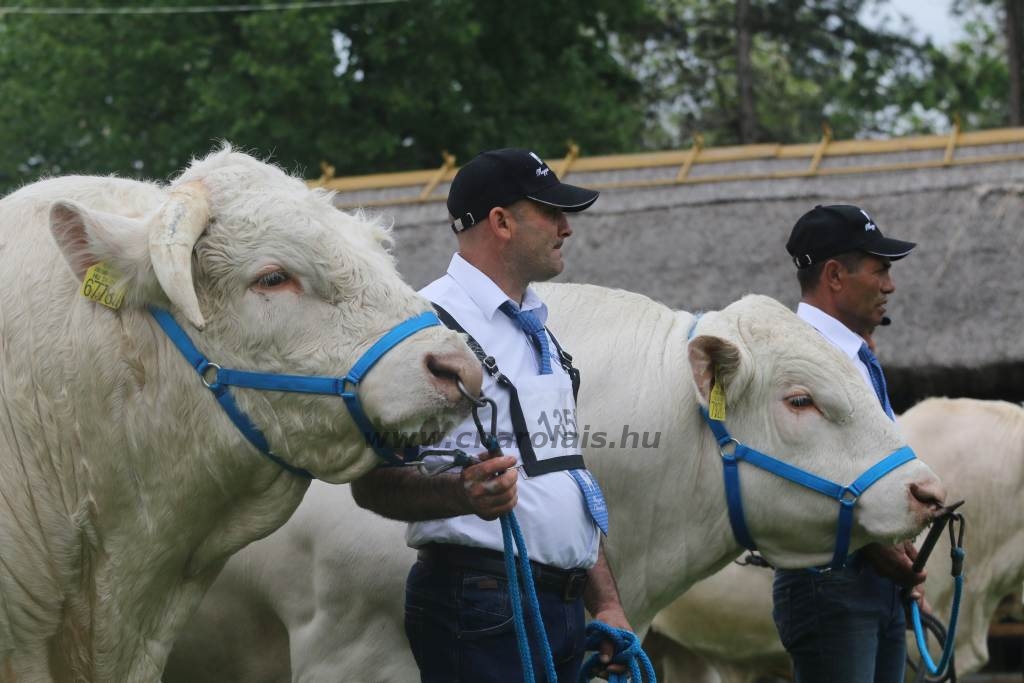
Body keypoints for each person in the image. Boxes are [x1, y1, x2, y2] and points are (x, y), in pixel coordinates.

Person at [351, 148, 631, 682]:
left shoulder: (538, 329)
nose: (566, 228)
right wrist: (461, 495)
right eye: (551, 211)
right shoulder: (422, 327)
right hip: (479, 603)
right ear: (500, 222)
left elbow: (564, 475)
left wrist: (607, 605)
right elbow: (371, 483)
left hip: (559, 607)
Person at [774, 204, 928, 683]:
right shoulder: (791, 359)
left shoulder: (854, 356)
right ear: (836, 275)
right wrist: (876, 545)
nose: (890, 284)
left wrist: (895, 550)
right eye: (880, 269)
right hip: (830, 580)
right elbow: (788, 475)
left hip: (871, 585)